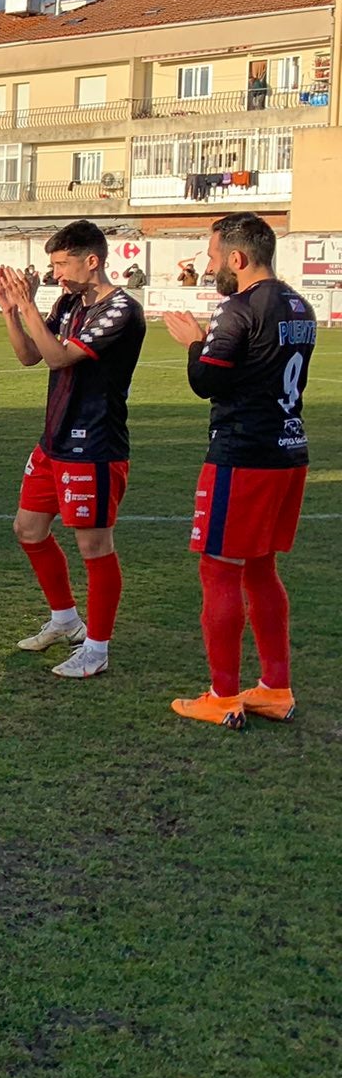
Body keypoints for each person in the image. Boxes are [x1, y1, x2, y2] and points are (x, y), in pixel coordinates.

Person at [163, 213, 316, 727]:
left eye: (211, 257)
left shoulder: (239, 309)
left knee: (218, 568)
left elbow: (208, 380)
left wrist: (193, 341)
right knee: (261, 567)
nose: (209, 267)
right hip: (288, 450)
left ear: (237, 257)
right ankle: (275, 686)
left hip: (243, 455)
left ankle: (223, 696)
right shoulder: (300, 304)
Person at [0, 220, 145, 680]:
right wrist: (11, 311)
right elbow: (30, 356)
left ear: (91, 260)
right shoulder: (68, 302)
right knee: (28, 529)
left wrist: (27, 304)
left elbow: (60, 358)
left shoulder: (121, 310)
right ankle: (65, 621)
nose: (56, 273)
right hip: (54, 440)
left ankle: (96, 649)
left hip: (95, 443)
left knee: (94, 545)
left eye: (62, 263)